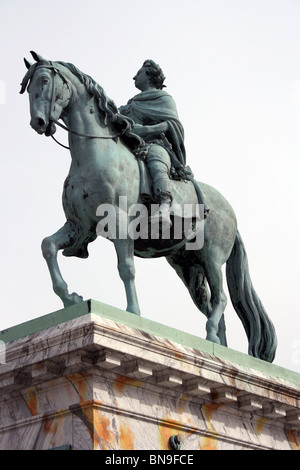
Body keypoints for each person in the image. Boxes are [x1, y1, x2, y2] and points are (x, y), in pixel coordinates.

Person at [119, 60, 189, 227]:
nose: (134, 76)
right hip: (132, 145)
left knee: (156, 158)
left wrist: (148, 130)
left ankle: (164, 206)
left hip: (156, 143)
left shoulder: (164, 98)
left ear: (149, 76)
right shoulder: (131, 104)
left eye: (139, 73)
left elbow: (173, 125)